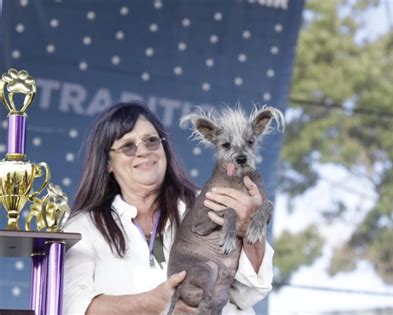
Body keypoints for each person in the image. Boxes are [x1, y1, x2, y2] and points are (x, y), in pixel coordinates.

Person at [63, 102, 274, 315]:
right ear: (107, 162)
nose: (143, 151)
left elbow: (249, 294)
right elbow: (70, 305)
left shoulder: (211, 200)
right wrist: (150, 303)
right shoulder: (84, 227)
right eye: (128, 146)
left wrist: (249, 231)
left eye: (152, 141)